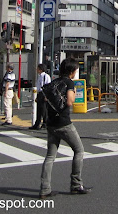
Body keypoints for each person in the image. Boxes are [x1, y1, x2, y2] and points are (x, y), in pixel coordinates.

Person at [39, 58, 91, 199]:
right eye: (75, 70)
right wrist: (73, 92)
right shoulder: (69, 83)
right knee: (79, 150)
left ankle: (45, 189)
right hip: (64, 123)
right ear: (71, 71)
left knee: (50, 156)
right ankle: (76, 184)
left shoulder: (54, 82)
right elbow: (69, 101)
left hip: (51, 123)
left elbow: (45, 99)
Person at [30, 63, 51, 130]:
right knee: (39, 109)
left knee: (43, 110)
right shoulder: (40, 76)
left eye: (38, 68)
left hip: (44, 93)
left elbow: (48, 86)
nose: (37, 70)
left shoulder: (46, 76)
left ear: (41, 69)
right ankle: (37, 124)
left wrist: (46, 96)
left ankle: (45, 123)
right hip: (40, 93)